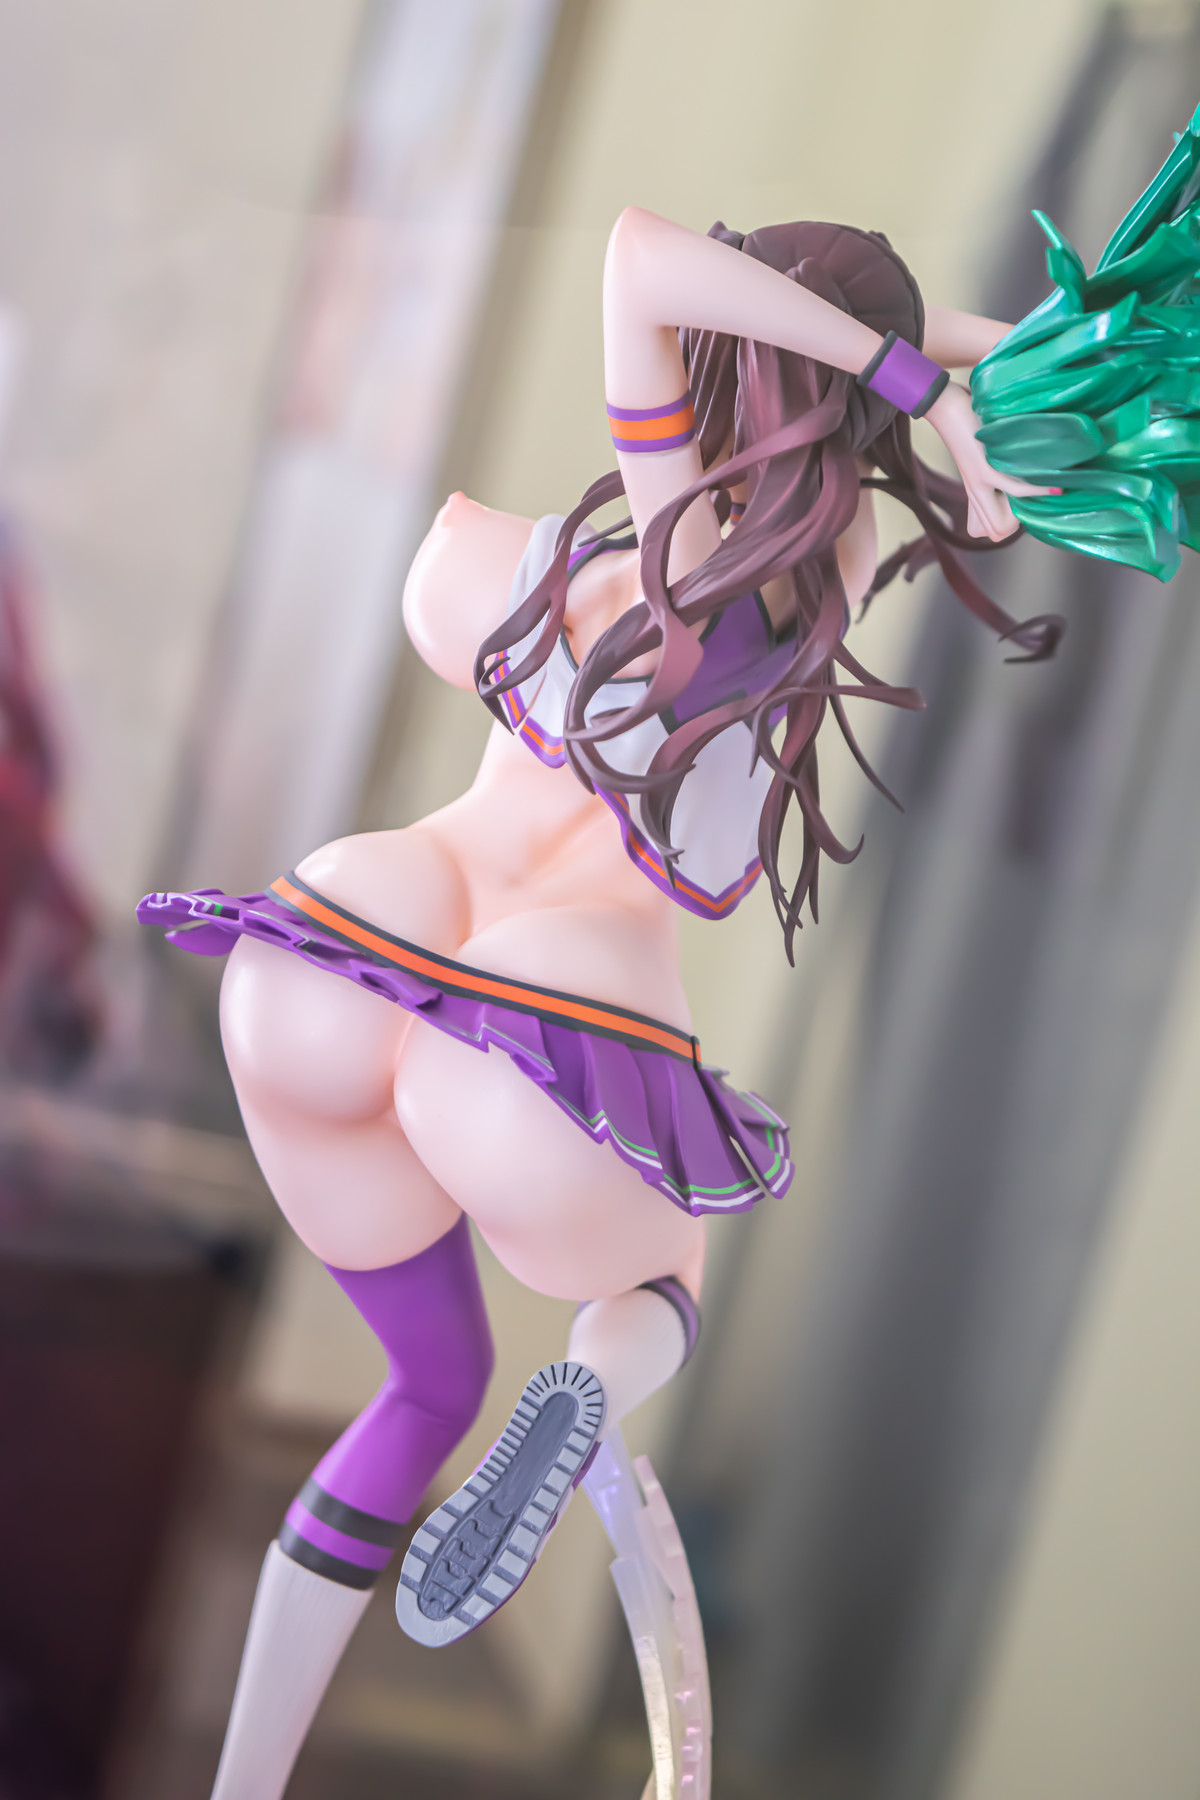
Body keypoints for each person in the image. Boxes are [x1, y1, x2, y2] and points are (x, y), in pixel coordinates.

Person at [140, 206, 1053, 1799]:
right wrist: (930, 378)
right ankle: (597, 1382)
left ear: (728, 354)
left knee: (425, 1387)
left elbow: (641, 258)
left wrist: (919, 369)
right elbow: (793, 337)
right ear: (855, 413)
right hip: (533, 1038)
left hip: (337, 952)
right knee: (666, 1280)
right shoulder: (820, 584)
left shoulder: (646, 524)